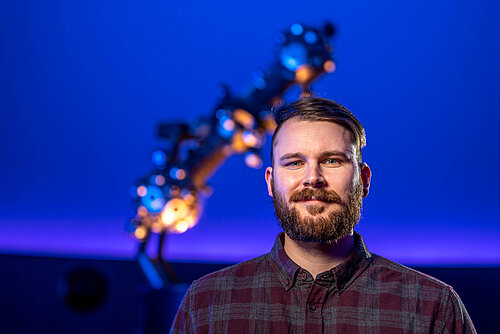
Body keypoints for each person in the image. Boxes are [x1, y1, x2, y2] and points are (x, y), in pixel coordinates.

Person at [170, 97, 476, 333]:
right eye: (294, 163)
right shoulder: (207, 303)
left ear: (364, 179)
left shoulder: (433, 306)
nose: (312, 178)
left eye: (331, 161)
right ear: (270, 181)